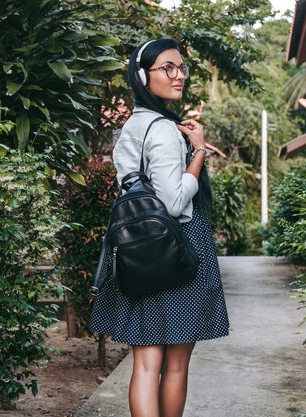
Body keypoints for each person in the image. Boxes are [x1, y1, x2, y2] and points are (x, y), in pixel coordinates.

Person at [89, 38, 230, 417]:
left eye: (181, 67)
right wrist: (198, 151)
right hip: (178, 247)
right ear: (142, 75)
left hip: (138, 247)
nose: (179, 74)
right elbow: (172, 201)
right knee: (175, 365)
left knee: (146, 364)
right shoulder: (166, 131)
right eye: (167, 67)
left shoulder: (131, 127)